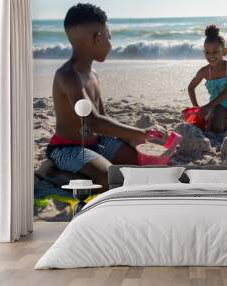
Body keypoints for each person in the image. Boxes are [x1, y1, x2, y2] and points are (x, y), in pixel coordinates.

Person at [46, 3, 154, 192]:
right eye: (109, 38)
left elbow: (103, 118)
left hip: (97, 142)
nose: (111, 46)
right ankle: (52, 173)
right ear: (97, 38)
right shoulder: (68, 76)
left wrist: (130, 138)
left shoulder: (93, 74)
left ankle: (89, 166)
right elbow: (93, 122)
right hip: (68, 148)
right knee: (108, 178)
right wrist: (139, 132)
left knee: (138, 161)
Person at [187, 25, 227, 134]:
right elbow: (191, 87)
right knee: (218, 128)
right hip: (216, 105)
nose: (211, 56)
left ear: (224, 51)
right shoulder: (204, 71)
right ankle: (217, 120)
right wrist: (196, 108)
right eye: (207, 52)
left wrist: (207, 107)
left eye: (215, 52)